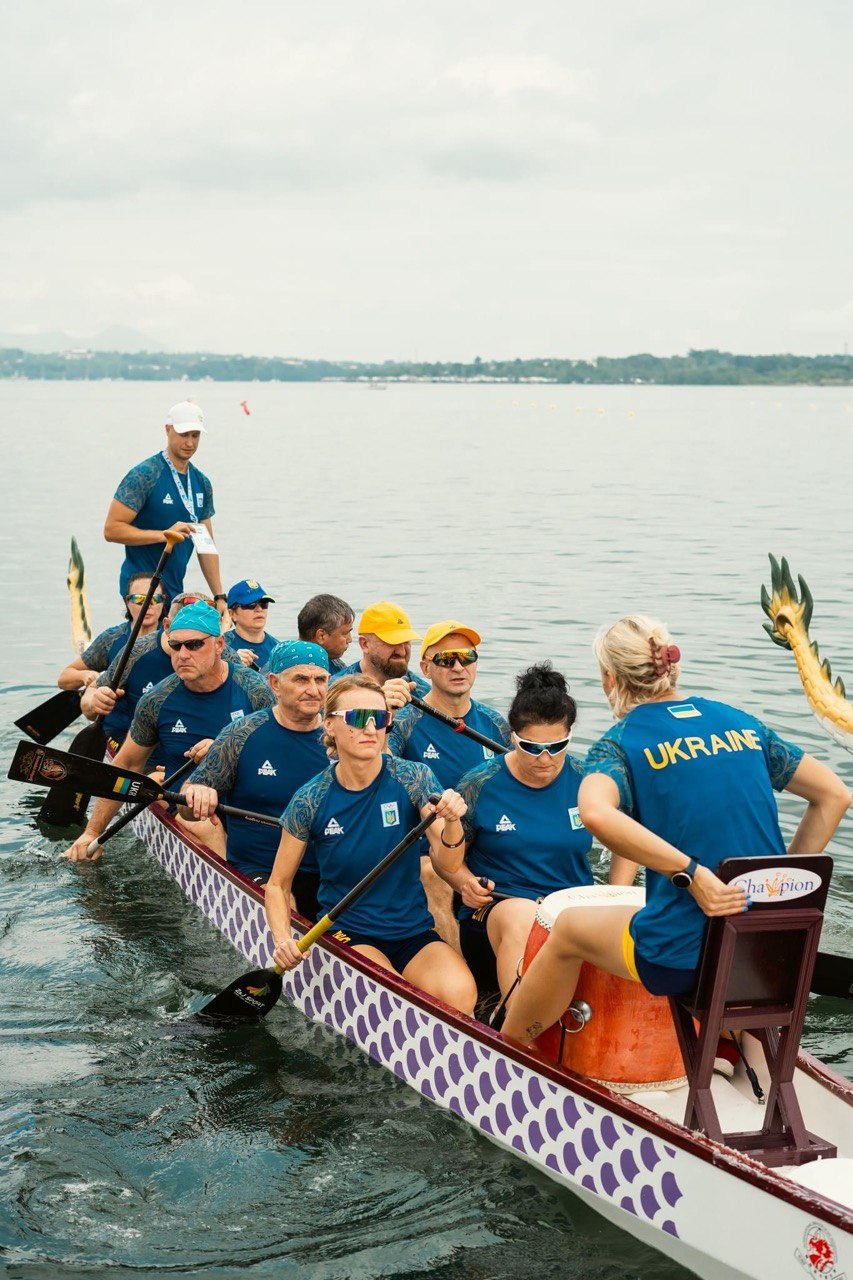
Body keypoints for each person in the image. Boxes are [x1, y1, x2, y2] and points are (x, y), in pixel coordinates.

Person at [502, 615, 852, 1047]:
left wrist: (691, 873)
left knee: (569, 930)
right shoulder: (742, 724)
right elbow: (834, 795)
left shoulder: (620, 743)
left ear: (609, 678)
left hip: (684, 958)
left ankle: (508, 1048)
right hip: (766, 951)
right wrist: (776, 886)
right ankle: (744, 1050)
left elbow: (594, 812)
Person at [264, 674, 478, 1014]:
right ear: (330, 726)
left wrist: (452, 821)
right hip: (349, 931)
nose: (370, 729)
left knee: (461, 995)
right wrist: (282, 940)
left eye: (379, 719)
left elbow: (446, 852)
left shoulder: (412, 777)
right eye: (357, 718)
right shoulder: (310, 799)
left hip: (412, 931)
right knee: (394, 996)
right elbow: (277, 884)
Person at [63, 601, 275, 861]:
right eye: (176, 645)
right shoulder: (157, 700)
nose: (183, 654)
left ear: (219, 645)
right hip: (190, 809)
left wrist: (226, 749)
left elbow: (279, 752)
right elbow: (126, 765)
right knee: (207, 826)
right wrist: (92, 832)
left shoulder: (254, 689)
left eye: (194, 645)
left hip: (247, 805)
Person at [433, 663, 592, 999]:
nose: (545, 758)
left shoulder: (588, 780)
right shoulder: (478, 784)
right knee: (524, 915)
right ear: (512, 736)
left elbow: (629, 837)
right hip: (497, 910)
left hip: (570, 912)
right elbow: (446, 864)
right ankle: (516, 1033)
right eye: (532, 747)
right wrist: (464, 883)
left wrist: (618, 892)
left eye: (558, 746)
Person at [180, 640, 331, 918]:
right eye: (301, 679)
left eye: (320, 679)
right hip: (261, 868)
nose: (313, 689)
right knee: (288, 913)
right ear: (274, 684)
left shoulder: (342, 736)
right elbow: (185, 809)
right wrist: (197, 795)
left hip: (329, 871)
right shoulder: (241, 734)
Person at [103, 400, 225, 613]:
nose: (189, 443)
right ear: (168, 430)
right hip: (141, 590)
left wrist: (219, 596)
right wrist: (164, 535)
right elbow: (112, 530)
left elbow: (206, 546)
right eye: (183, 434)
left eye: (195, 436)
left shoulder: (202, 483)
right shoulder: (145, 475)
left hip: (174, 590)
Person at [81, 591, 212, 755]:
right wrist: (94, 701)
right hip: (141, 750)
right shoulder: (135, 653)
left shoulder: (226, 656)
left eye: (197, 641)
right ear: (167, 626)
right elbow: (90, 696)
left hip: (196, 753)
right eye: (182, 634)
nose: (185, 653)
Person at [388, 620, 511, 788]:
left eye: (467, 657)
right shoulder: (405, 723)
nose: (458, 667)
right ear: (426, 669)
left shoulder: (495, 723)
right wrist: (381, 713)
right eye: (446, 659)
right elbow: (379, 770)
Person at [57, 573, 165, 692]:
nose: (148, 605)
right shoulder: (112, 638)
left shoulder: (174, 639)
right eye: (139, 599)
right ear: (128, 602)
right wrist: (85, 676)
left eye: (155, 599)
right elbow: (64, 678)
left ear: (163, 602)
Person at [330, 601, 430, 696]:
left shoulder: (423, 693)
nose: (402, 652)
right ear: (365, 644)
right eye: (392, 642)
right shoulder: (335, 691)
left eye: (406, 642)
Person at [222, 580, 280, 670]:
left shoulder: (278, 649)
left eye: (264, 604)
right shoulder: (219, 647)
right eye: (251, 605)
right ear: (232, 614)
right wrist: (230, 663)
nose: (259, 609)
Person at [297, 593, 355, 674]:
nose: (350, 640)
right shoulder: (296, 670)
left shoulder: (334, 663)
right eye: (345, 633)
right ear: (321, 636)